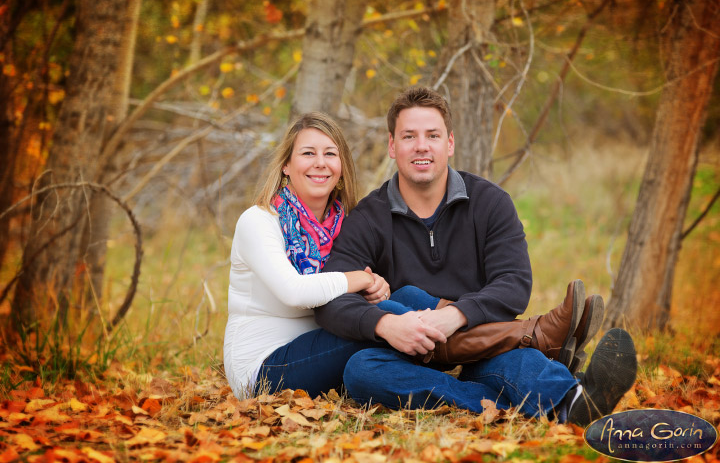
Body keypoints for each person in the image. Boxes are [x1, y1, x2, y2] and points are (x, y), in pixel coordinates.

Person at [314, 86, 638, 426]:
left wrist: (456, 315)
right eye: (409, 136)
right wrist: (386, 324)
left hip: (484, 348)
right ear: (392, 146)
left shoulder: (490, 202)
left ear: (450, 143)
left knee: (513, 360)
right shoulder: (369, 217)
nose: (421, 145)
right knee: (362, 370)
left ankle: (574, 401)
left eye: (433, 135)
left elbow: (513, 283)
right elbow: (331, 299)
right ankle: (521, 363)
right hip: (408, 354)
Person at [223, 111, 447, 399]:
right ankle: (459, 348)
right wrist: (359, 280)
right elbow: (295, 292)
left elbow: (360, 293)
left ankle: (476, 338)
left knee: (407, 297)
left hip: (325, 347)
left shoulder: (345, 224)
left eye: (330, 153)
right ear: (286, 166)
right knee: (388, 319)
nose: (320, 163)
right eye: (308, 153)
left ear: (341, 168)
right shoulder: (259, 221)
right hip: (265, 370)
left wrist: (376, 287)